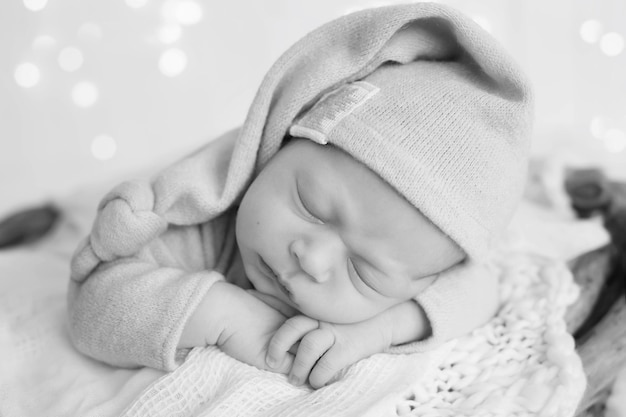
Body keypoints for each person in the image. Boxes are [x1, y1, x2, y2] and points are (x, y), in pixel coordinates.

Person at [67, 2, 533, 389]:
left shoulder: (414, 278)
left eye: (363, 271)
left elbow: (479, 288)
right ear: (281, 144)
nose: (312, 259)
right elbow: (92, 304)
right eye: (309, 205)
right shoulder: (205, 220)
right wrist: (225, 316)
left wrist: (381, 329)